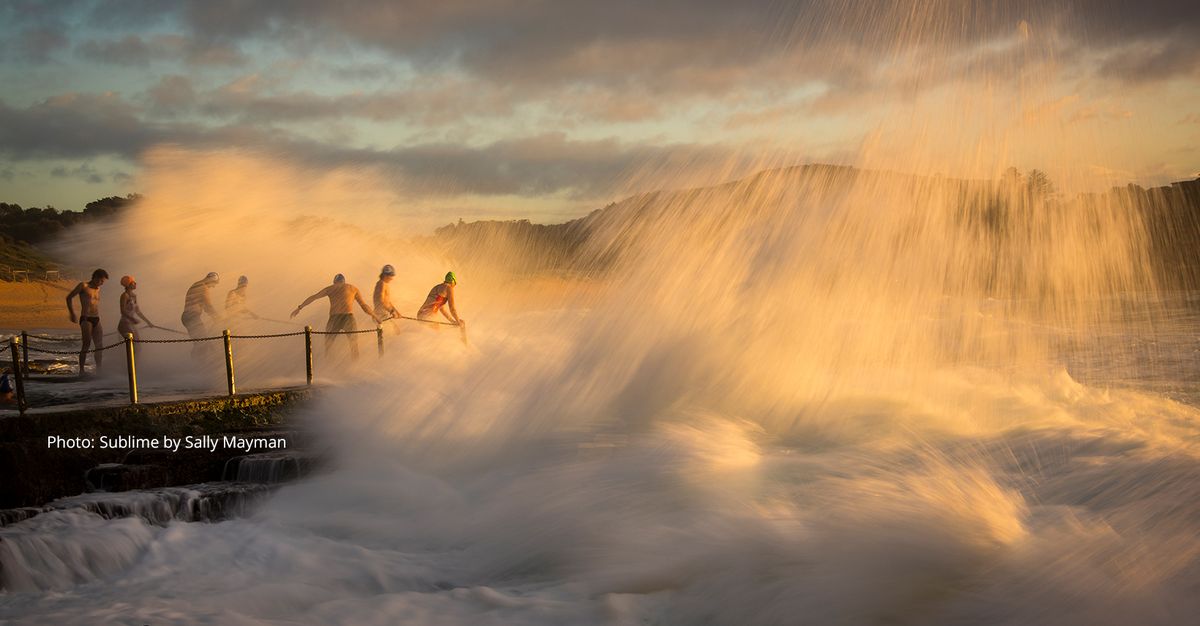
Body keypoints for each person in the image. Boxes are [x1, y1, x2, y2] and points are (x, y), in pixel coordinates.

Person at [290, 274, 380, 360]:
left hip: (335, 318)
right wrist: (374, 316)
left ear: (334, 282)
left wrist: (299, 308)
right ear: (344, 282)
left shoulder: (331, 288)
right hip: (347, 317)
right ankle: (354, 365)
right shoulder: (352, 288)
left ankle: (329, 365)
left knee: (329, 344)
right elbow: (363, 305)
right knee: (353, 345)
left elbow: (314, 297)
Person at [66, 268, 108, 376]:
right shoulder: (83, 286)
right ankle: (81, 370)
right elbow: (69, 297)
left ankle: (99, 369)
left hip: (96, 318)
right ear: (95, 277)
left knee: (99, 345)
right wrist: (72, 313)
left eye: (103, 282)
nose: (102, 284)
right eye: (101, 281)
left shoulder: (98, 289)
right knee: (87, 344)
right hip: (86, 318)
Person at [181, 272, 220, 358]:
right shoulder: (203, 287)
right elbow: (208, 305)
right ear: (211, 280)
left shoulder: (196, 284)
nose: (213, 286)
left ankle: (195, 362)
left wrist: (214, 316)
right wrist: (217, 317)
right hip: (192, 317)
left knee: (199, 342)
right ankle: (199, 364)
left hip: (187, 316)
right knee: (203, 343)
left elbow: (205, 306)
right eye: (214, 284)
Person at [117, 275, 157, 341]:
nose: (135, 283)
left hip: (131, 324)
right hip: (124, 324)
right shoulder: (124, 296)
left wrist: (148, 322)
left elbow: (138, 312)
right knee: (135, 343)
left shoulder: (134, 296)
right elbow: (122, 311)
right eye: (133, 282)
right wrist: (133, 319)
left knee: (137, 345)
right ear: (128, 284)